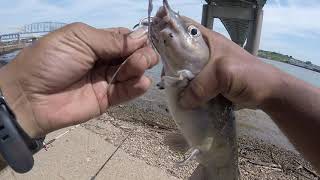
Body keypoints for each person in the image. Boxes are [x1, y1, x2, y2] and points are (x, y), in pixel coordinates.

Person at [0, 18, 319, 174]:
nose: (182, 31)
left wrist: (19, 101)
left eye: (193, 33)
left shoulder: (192, 76)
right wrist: (20, 101)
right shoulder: (175, 71)